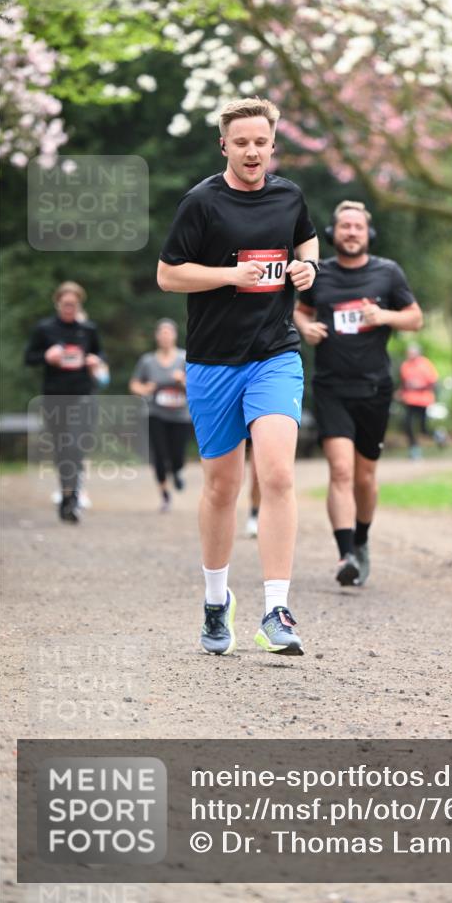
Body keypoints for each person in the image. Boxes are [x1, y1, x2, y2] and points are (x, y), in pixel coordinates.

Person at [157, 97, 318, 656]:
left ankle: (276, 608)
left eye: (261, 141)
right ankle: (215, 600)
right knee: (223, 486)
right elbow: (167, 275)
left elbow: (306, 239)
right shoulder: (201, 203)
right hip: (211, 363)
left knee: (276, 475)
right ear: (224, 145)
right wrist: (231, 275)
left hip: (274, 354)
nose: (252, 151)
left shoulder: (289, 195)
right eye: (241, 142)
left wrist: (309, 266)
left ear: (274, 145)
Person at [294, 200, 423, 587]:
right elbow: (300, 309)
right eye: (345, 226)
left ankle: (362, 540)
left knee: (365, 477)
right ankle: (345, 553)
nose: (351, 232)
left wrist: (384, 316)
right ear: (334, 233)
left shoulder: (388, 273)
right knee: (341, 470)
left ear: (368, 234)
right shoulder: (320, 274)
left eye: (358, 226)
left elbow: (415, 318)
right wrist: (305, 327)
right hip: (331, 386)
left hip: (374, 389)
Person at [24, 282, 106, 523]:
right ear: (58, 303)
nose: (70, 307)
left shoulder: (88, 330)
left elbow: (101, 354)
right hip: (54, 396)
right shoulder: (45, 329)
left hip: (83, 395)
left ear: (79, 304)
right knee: (62, 449)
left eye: (74, 304)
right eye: (65, 303)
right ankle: (66, 496)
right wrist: (46, 357)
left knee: (76, 445)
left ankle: (74, 497)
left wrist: (94, 360)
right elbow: (29, 357)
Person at [129, 319, 191, 512]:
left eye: (168, 332)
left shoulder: (184, 358)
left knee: (177, 455)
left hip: (181, 415)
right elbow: (134, 385)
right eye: (161, 333)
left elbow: (198, 385)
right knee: (159, 454)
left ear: (174, 335)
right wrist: (144, 388)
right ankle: (165, 495)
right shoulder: (147, 361)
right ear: (157, 336)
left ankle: (178, 470)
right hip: (155, 413)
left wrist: (183, 381)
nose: (165, 336)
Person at [399, 343, 441, 459]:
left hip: (423, 401)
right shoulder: (405, 366)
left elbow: (434, 383)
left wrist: (420, 386)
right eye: (409, 353)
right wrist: (400, 392)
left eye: (412, 353)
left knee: (423, 428)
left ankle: (437, 435)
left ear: (418, 353)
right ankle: (414, 449)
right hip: (409, 400)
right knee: (407, 424)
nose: (410, 355)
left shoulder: (425, 364)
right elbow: (404, 384)